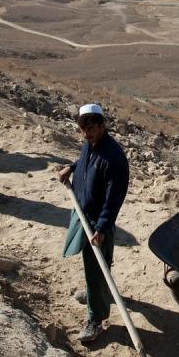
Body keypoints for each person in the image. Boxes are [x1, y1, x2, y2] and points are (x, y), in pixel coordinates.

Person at [57, 104, 129, 343]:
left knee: (97, 266)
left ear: (102, 126)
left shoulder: (114, 158)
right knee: (93, 265)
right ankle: (94, 294)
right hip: (83, 213)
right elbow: (85, 161)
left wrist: (101, 227)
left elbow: (113, 198)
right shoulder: (90, 144)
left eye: (91, 130)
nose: (86, 135)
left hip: (98, 222)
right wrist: (71, 167)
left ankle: (95, 320)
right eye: (83, 130)